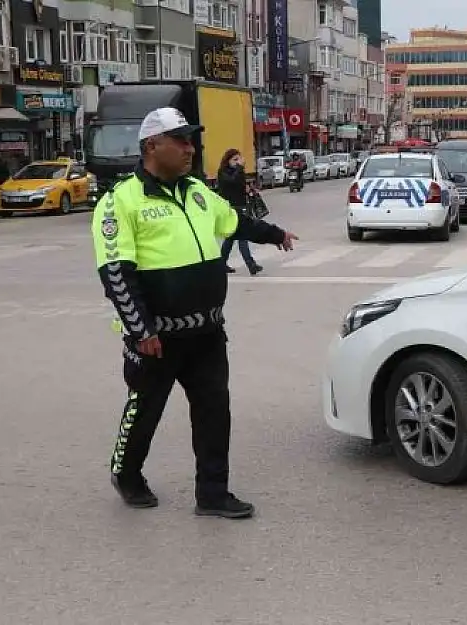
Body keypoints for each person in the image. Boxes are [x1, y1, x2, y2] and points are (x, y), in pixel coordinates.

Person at [91, 106, 298, 518]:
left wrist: (274, 234)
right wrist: (140, 329)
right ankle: (127, 473)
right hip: (156, 338)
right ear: (152, 146)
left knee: (214, 413)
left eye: (191, 140)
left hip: (206, 333)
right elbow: (117, 274)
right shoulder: (120, 202)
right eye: (181, 140)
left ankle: (213, 494)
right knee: (145, 410)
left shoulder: (198, 192)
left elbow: (233, 221)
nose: (191, 148)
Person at [216, 149, 263, 275]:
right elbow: (232, 182)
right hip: (230, 208)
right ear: (227, 161)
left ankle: (221, 264)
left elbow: (240, 185)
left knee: (231, 238)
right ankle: (251, 265)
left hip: (241, 206)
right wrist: (239, 169)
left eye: (239, 159)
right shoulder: (223, 172)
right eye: (234, 160)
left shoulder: (239, 172)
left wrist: (250, 190)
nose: (237, 162)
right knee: (243, 236)